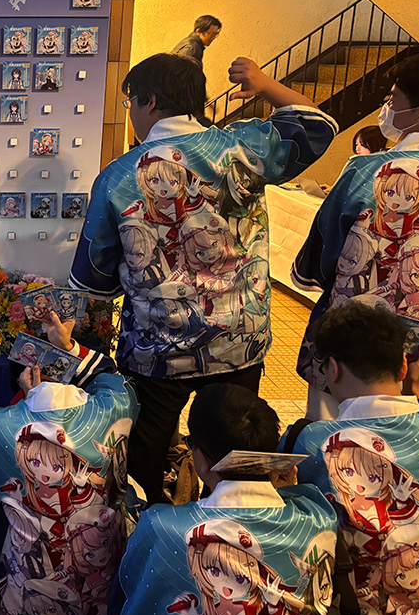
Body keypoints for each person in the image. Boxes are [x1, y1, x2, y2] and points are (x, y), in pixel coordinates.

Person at [69, 53, 337, 505]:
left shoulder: (119, 177)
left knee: (147, 445)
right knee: (234, 438)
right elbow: (317, 125)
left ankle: (151, 520)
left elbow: (94, 278)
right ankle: (236, 515)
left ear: (149, 101)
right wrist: (264, 83)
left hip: (157, 347)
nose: (131, 113)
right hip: (239, 336)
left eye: (131, 103)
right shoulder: (241, 149)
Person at [111, 384, 338, 615]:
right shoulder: (317, 516)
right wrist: (285, 490)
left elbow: (123, 606)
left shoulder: (161, 526)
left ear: (201, 458)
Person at [292, 53, 419, 418]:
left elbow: (324, 253)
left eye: (393, 99)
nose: (387, 107)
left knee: (335, 431)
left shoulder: (366, 170)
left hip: (353, 340)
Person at [0, 314, 135, 615]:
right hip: (96, 566)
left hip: (38, 571)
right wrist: (70, 347)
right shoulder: (114, 407)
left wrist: (28, 396)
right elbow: (111, 376)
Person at [286, 302, 419, 615]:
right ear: (403, 367)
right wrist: (417, 392)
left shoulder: (309, 441)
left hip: (349, 610)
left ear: (332, 369)